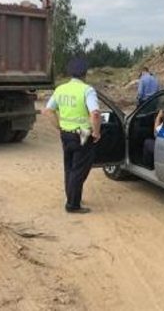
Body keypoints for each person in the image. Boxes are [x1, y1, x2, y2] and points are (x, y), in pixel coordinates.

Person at [45, 58, 101, 214]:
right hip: (82, 134)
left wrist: (59, 126)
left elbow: (47, 110)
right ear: (85, 74)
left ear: (70, 73)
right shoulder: (87, 90)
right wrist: (96, 132)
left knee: (69, 168)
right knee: (79, 170)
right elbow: (95, 114)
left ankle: (72, 197)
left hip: (66, 133)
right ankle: (73, 205)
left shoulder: (61, 89)